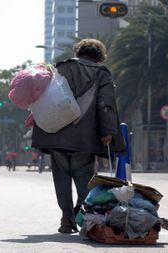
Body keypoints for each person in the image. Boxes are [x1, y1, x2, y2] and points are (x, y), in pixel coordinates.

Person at [31, 38, 125, 234]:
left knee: (61, 180)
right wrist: (108, 132)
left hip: (56, 135)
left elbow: (44, 99)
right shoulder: (101, 74)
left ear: (78, 51)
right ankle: (85, 219)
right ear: (99, 56)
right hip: (84, 138)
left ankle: (67, 219)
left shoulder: (60, 68)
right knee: (84, 179)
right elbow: (105, 104)